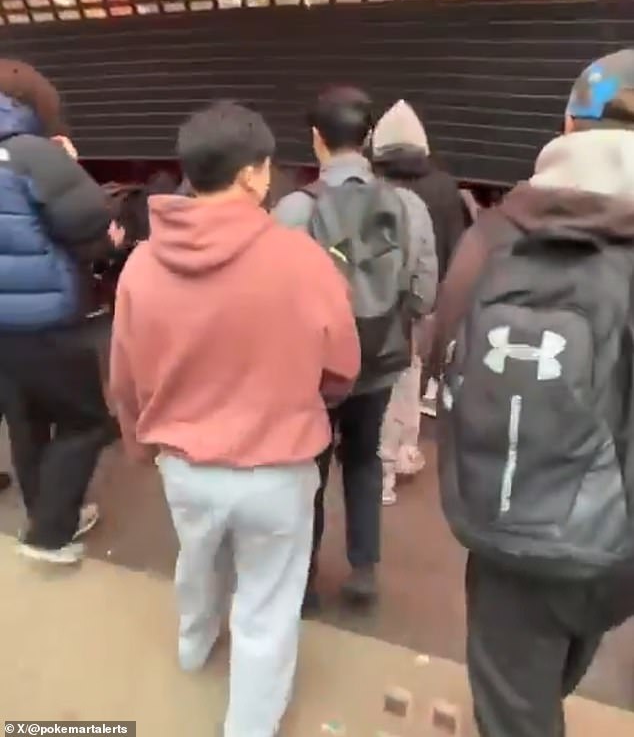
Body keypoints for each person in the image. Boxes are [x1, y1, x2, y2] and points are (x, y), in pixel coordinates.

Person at [109, 101, 360, 737]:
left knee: (198, 559)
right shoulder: (302, 260)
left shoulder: (141, 263)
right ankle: (249, 724)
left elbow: (124, 374)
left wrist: (139, 443)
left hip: (183, 465)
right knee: (267, 604)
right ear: (252, 174)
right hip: (277, 468)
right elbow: (342, 369)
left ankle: (194, 646)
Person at [431, 49, 634, 737]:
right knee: (570, 641)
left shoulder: (492, 237)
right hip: (617, 534)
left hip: (509, 523)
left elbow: (443, 349)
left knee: (515, 703)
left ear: (567, 126)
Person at [275, 86, 437, 605]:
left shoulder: (293, 210)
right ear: (368, 139)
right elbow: (424, 294)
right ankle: (363, 570)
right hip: (380, 360)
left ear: (316, 138)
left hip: (314, 369)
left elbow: (274, 300)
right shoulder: (408, 207)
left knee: (310, 469)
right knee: (365, 459)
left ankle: (303, 581)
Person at [0, 59, 118, 564]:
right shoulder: (32, 153)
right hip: (45, 317)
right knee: (86, 421)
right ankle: (49, 533)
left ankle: (47, 514)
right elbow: (89, 219)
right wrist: (69, 164)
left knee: (27, 421)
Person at [372, 100, 439, 504]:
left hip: (353, 317)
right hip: (397, 320)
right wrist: (418, 312)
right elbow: (425, 278)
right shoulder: (415, 208)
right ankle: (386, 473)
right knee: (398, 391)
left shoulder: (351, 198)